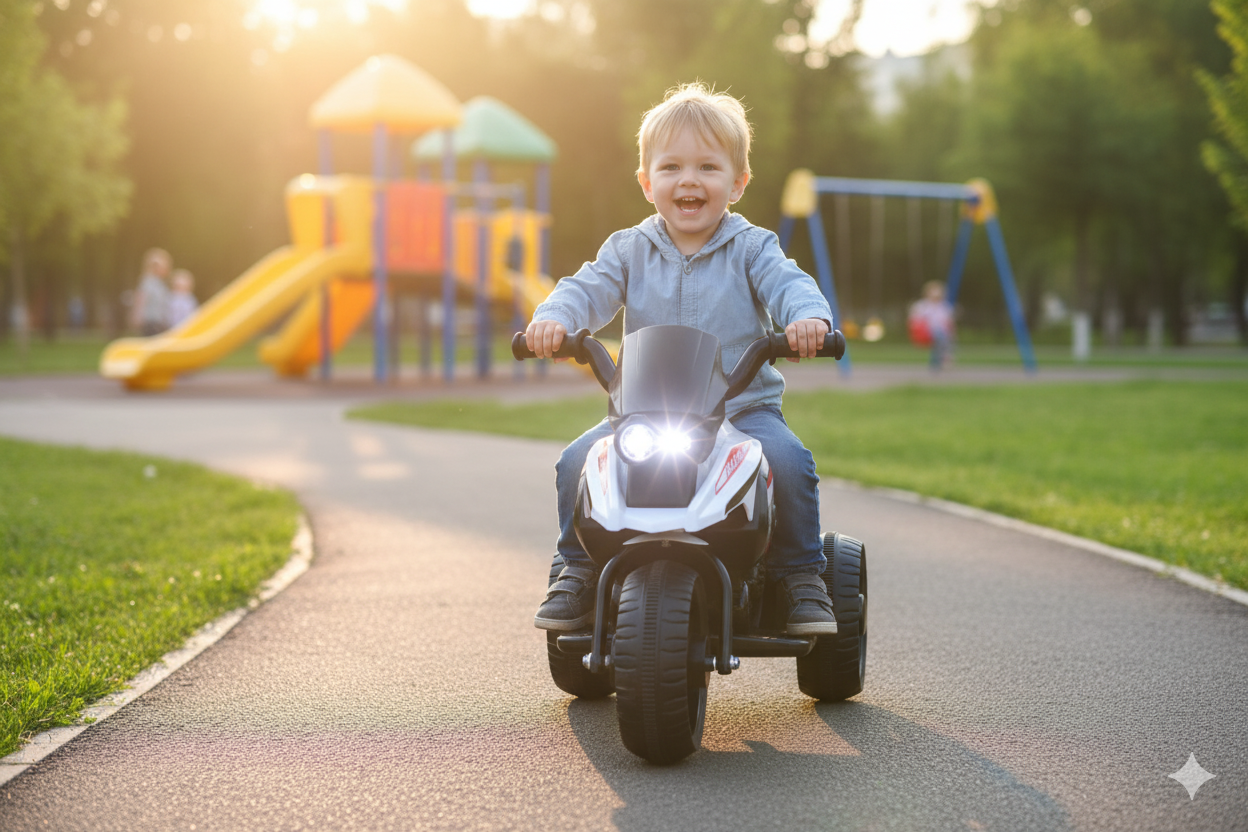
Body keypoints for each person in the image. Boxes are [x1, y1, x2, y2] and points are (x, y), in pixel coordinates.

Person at [526, 83, 838, 637]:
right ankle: (576, 569)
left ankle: (799, 575)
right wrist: (554, 320)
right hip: (644, 414)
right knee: (578, 461)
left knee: (787, 463)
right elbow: (584, 289)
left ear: (737, 183)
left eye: (708, 167)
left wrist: (806, 320)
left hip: (741, 412)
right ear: (647, 183)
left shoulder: (753, 248)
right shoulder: (627, 250)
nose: (688, 180)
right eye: (670, 167)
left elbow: (790, 285)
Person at [908, 280, 955, 370]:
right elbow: (914, 321)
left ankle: (938, 361)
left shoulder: (944, 306)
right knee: (939, 335)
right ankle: (944, 358)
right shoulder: (921, 306)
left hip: (941, 333)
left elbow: (949, 323)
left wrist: (951, 333)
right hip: (924, 332)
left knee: (941, 336)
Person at [130, 248, 171, 336]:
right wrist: (137, 315)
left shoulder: (161, 283)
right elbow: (141, 298)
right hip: (149, 319)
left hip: (158, 320)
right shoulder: (147, 281)